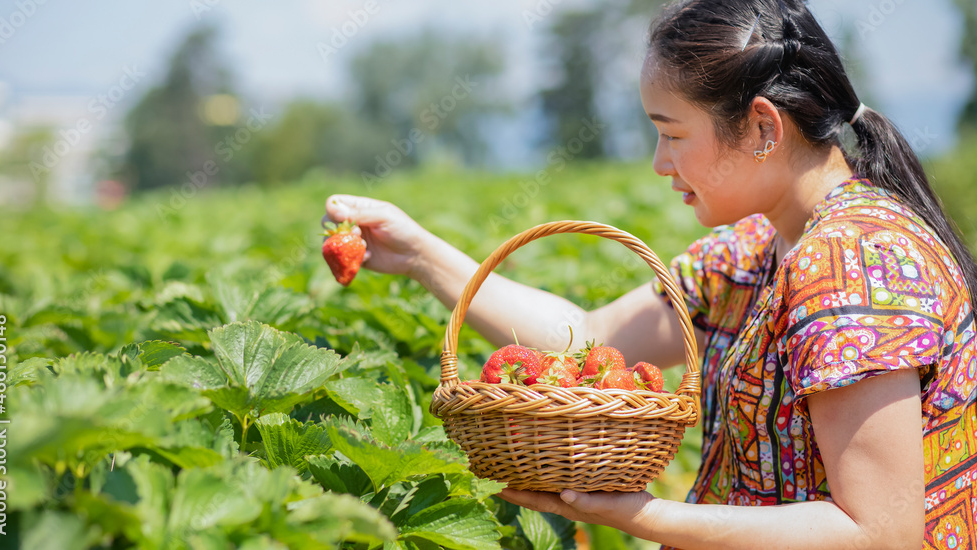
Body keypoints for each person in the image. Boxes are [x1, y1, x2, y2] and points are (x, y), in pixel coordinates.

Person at [322, 0, 977, 547]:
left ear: (762, 128)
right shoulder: (756, 250)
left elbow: (878, 533)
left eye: (672, 133)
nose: (660, 163)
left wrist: (638, 516)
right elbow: (586, 336)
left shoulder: (855, 265)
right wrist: (416, 255)